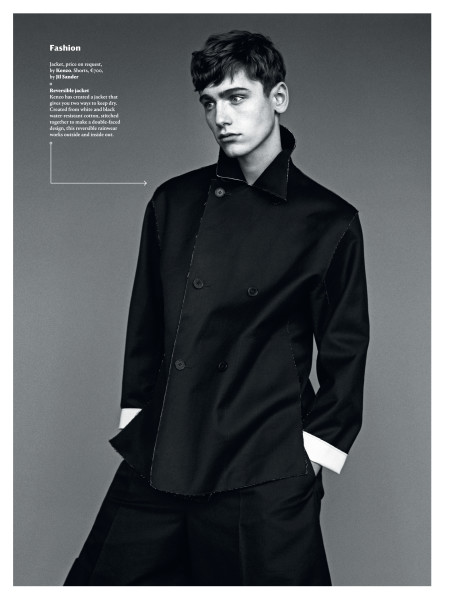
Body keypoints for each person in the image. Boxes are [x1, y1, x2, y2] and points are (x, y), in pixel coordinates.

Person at [64, 30, 370, 586]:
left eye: (236, 97)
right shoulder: (173, 202)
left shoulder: (329, 220)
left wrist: (312, 455)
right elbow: (146, 323)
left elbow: (346, 350)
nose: (220, 117)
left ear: (278, 97)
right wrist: (139, 416)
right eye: (208, 103)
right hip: (165, 447)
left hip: (264, 462)